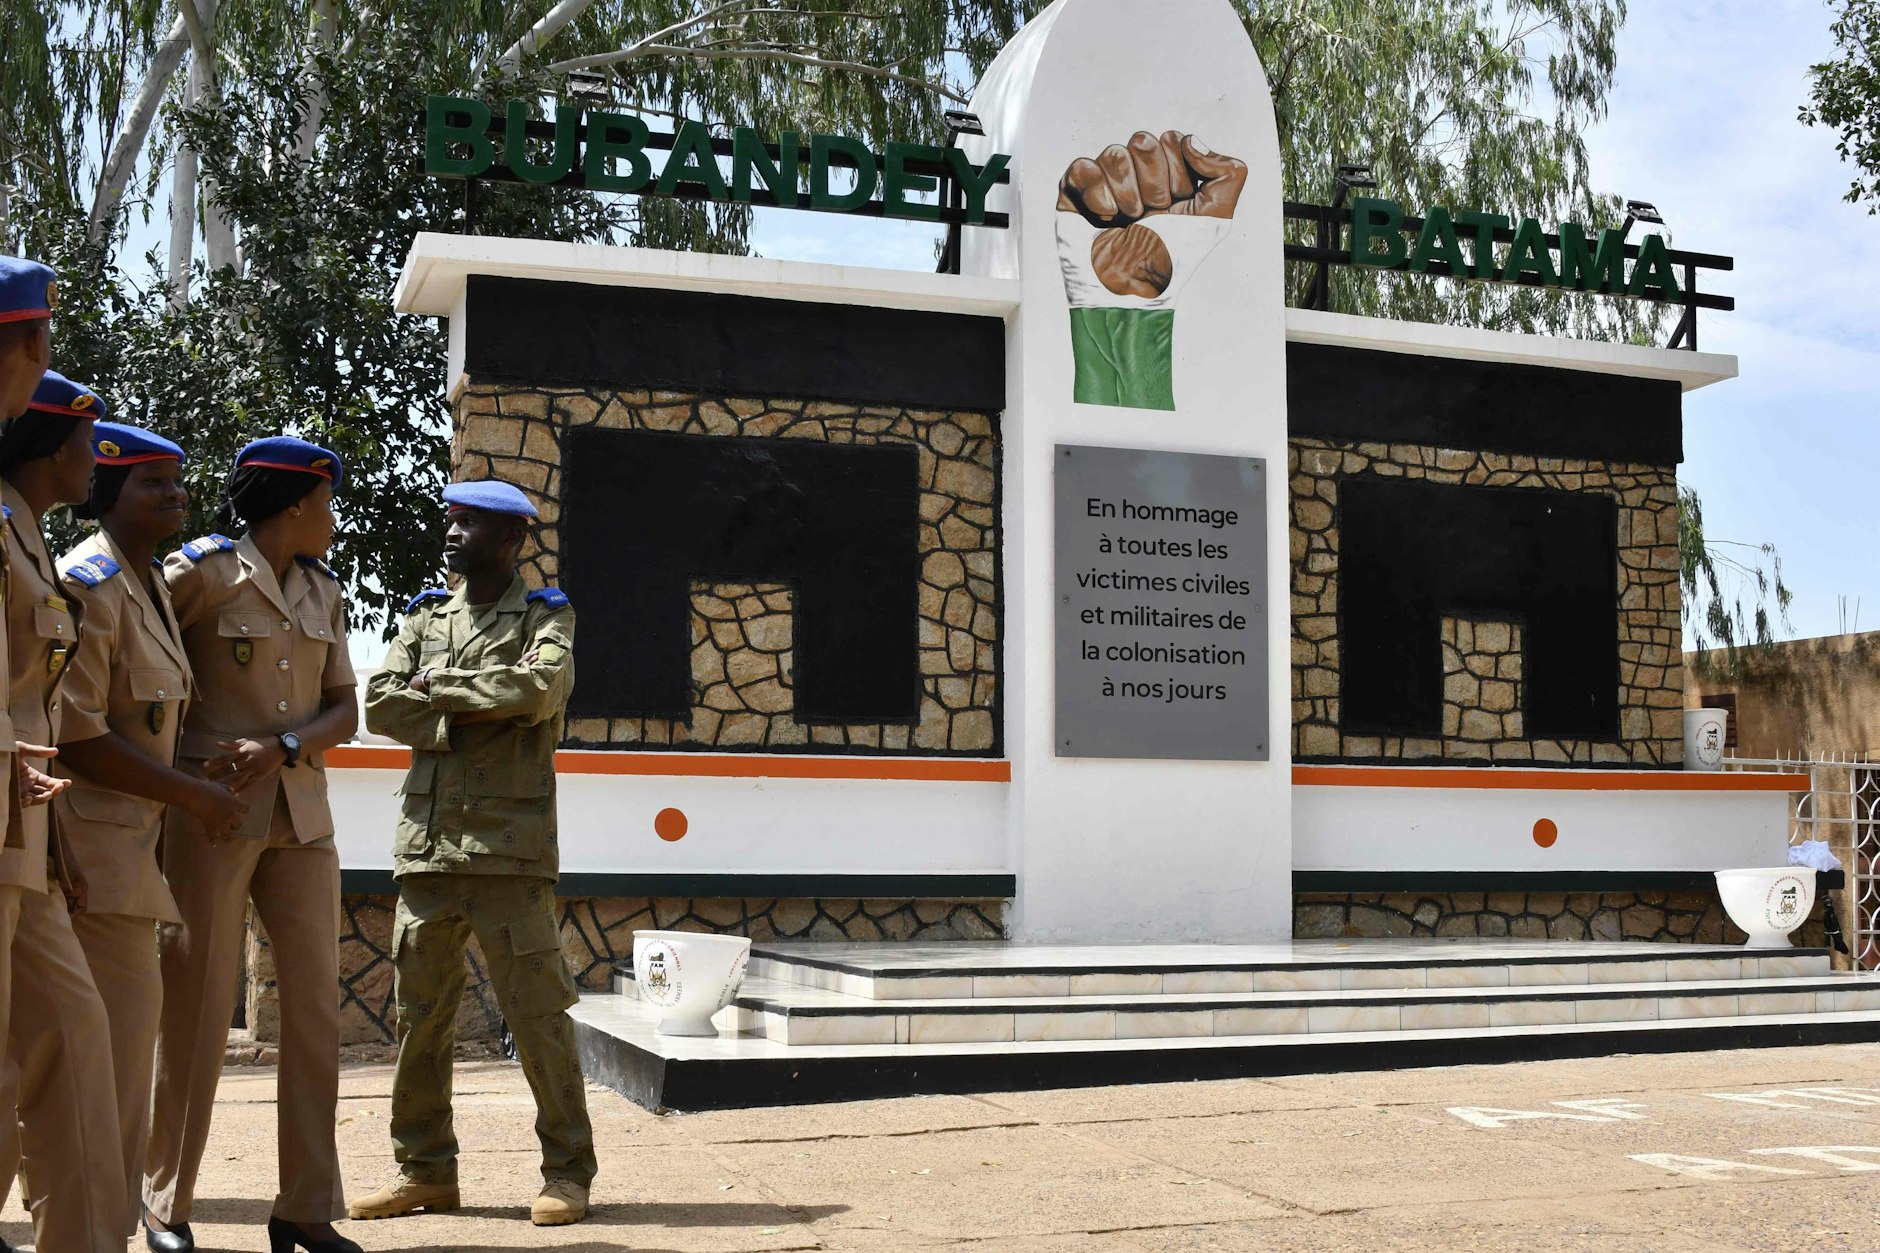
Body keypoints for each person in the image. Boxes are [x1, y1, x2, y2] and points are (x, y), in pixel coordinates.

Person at [143, 437, 363, 1253]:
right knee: (195, 1007)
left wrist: (288, 746)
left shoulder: (323, 591)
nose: (333, 519)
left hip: (302, 817)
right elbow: (138, 655)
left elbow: (346, 709)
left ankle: (305, 1206)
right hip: (212, 812)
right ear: (296, 503)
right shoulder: (200, 573)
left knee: (313, 1012)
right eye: (327, 502)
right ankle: (164, 1198)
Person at [355, 478, 593, 1228]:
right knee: (418, 1017)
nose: (455, 532)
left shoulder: (546, 616)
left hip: (509, 849)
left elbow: (538, 688)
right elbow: (381, 701)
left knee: (538, 1016)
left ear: (513, 539)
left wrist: (444, 689)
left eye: (473, 523)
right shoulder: (426, 616)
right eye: (452, 520)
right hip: (428, 849)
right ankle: (424, 1171)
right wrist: (467, 710)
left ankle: (567, 1173)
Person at [54, 421, 247, 1239]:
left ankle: (112, 1221)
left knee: (121, 1065)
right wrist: (192, 796)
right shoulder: (89, 584)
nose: (175, 494)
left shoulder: (150, 589)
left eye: (176, 480)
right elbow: (76, 735)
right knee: (84, 1069)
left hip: (133, 856)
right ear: (107, 491)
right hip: (88, 856)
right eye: (151, 482)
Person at [0, 370, 127, 1250]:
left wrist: (57, 844)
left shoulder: (30, 539)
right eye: (87, 441)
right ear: (50, 446)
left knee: (74, 1026)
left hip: (28, 835)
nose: (97, 457)